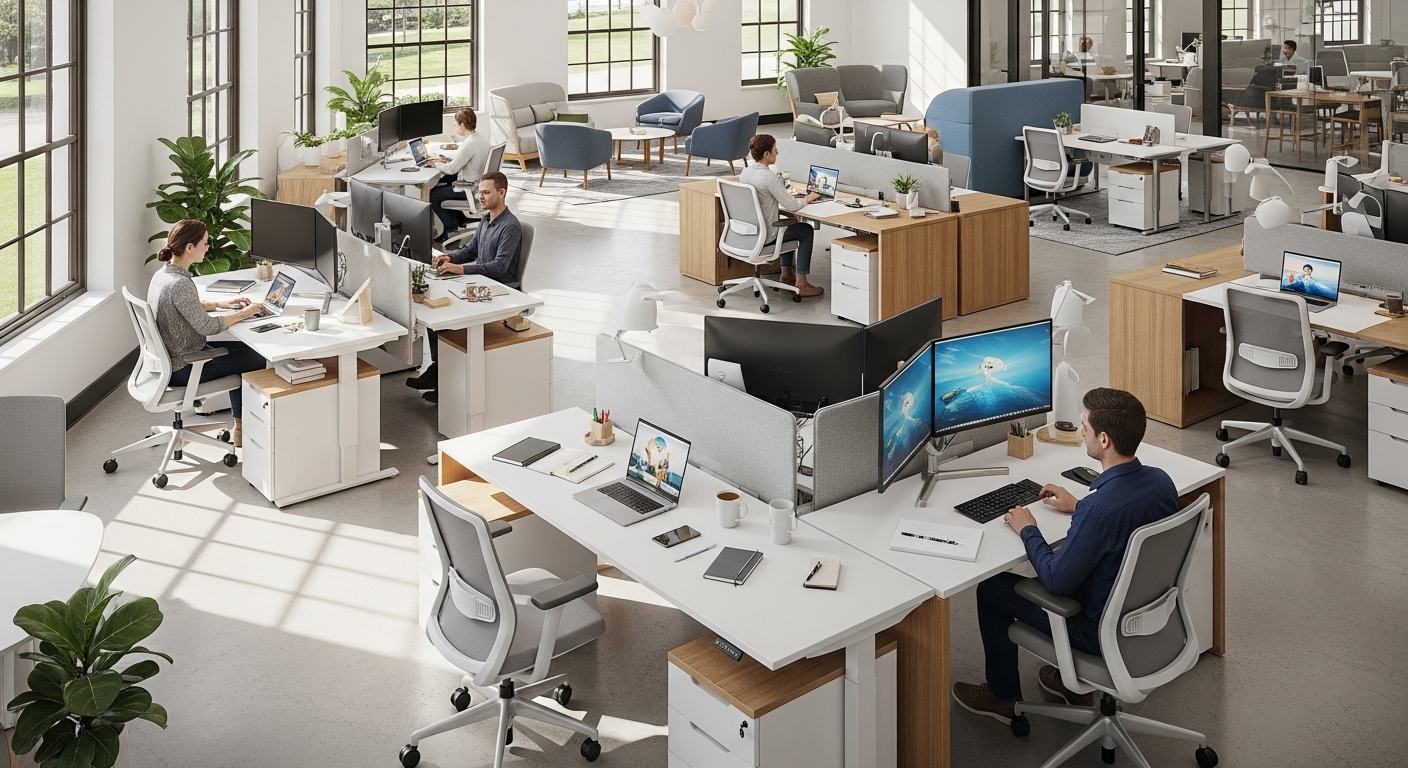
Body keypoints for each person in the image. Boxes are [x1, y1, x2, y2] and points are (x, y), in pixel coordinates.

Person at [951, 388, 1180, 725]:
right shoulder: (1162, 483)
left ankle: (1002, 696)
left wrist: (1028, 528)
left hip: (1096, 632)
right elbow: (1122, 522)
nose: (1081, 430)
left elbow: (1057, 580)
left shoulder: (1099, 511)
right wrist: (1080, 505)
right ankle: (1071, 686)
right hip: (1144, 620)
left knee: (991, 590)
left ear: (1103, 440)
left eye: (1084, 425)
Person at [147, 219, 268, 447]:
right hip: (184, 367)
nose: (208, 247)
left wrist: (221, 304)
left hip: (166, 362)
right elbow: (208, 328)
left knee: (245, 350)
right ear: (189, 248)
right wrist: (247, 312)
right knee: (254, 358)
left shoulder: (162, 276)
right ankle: (242, 427)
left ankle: (240, 424)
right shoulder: (181, 283)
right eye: (204, 243)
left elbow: (184, 306)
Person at [406, 171, 522, 403]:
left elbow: (499, 268)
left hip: (496, 289)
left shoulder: (509, 226)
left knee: (444, 314)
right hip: (480, 282)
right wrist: (450, 259)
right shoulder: (487, 220)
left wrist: (461, 270)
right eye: (479, 192)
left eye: (486, 192)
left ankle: (445, 381)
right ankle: (439, 370)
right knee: (434, 310)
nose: (481, 197)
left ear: (502, 193)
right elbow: (470, 251)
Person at [737, 134, 824, 298]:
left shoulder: (746, 172)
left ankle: (786, 275)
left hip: (750, 232)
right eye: (775, 150)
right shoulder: (768, 177)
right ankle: (801, 282)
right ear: (766, 154)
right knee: (805, 230)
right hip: (766, 236)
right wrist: (808, 198)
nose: (777, 152)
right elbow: (792, 206)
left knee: (787, 224)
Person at [429, 107, 493, 242]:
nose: (455, 127)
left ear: (462, 124)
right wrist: (444, 160)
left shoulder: (469, 144)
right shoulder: (480, 140)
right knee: (445, 183)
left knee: (433, 194)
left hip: (470, 190)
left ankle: (450, 228)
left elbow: (452, 169)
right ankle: (458, 221)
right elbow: (459, 163)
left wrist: (434, 164)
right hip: (479, 186)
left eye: (455, 124)